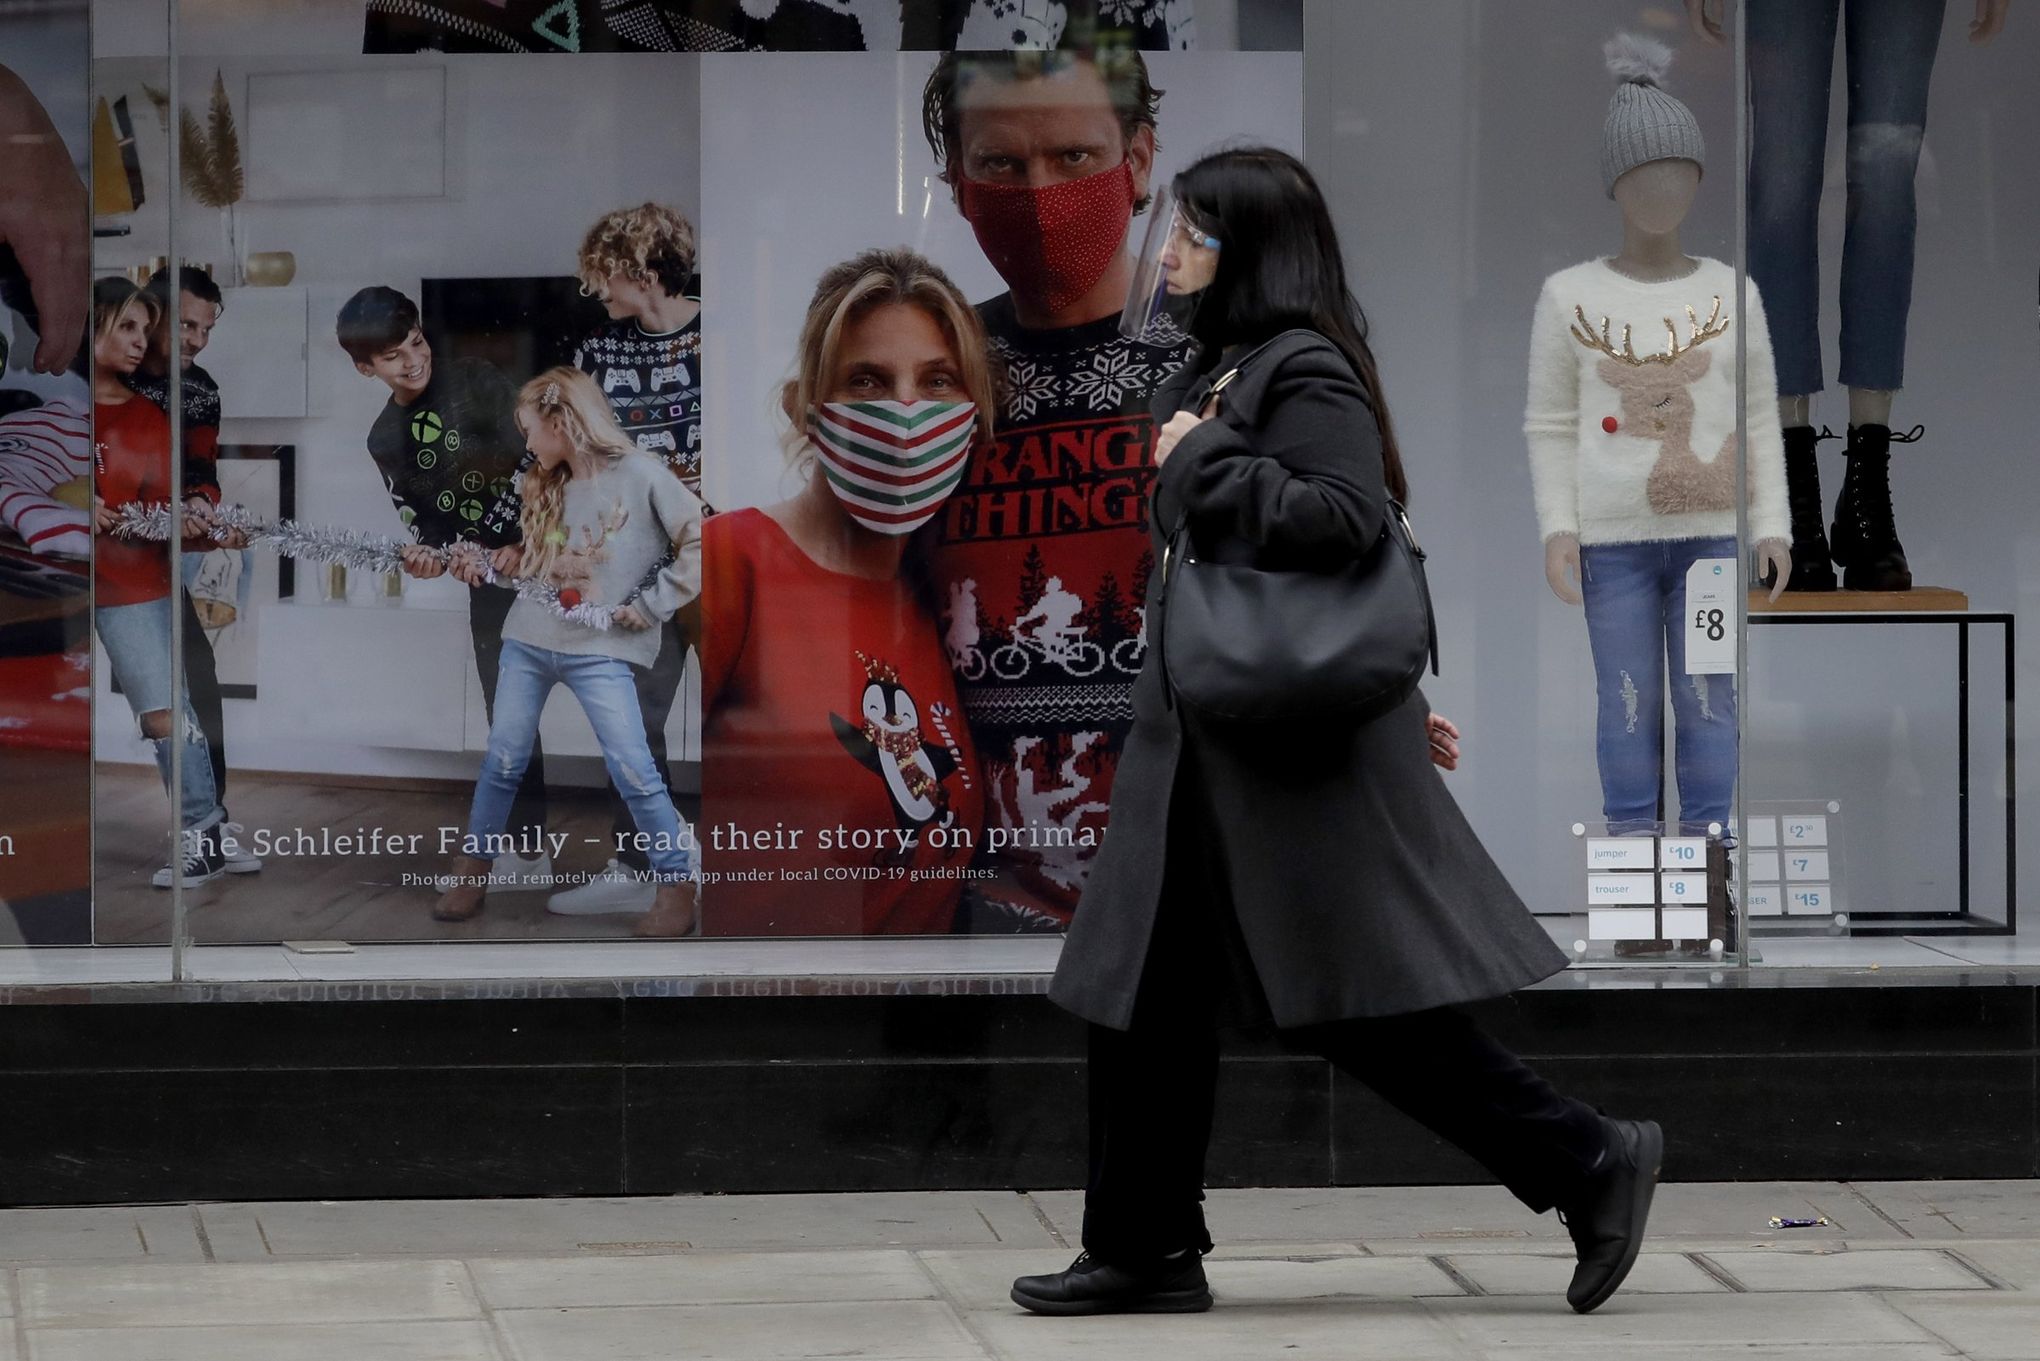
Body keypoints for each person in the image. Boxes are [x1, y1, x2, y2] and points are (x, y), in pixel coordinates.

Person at [1010, 149, 1662, 1320]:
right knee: (1144, 993)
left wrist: (1203, 457)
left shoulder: (1305, 369)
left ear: (1254, 249)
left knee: (1361, 1009)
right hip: (1207, 748)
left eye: (1194, 237)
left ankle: (1589, 1157)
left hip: (1269, 758)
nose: (1170, 256)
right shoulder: (1232, 366)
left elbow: (1345, 523)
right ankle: (1144, 1244)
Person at [919, 46, 1189, 930]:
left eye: (1074, 156)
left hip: (1197, 900)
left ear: (1139, 160)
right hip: (978, 906)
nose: (1039, 194)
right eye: (1001, 163)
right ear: (960, 181)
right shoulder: (931, 373)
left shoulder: (1231, 357)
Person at [696, 247, 994, 936]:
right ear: (805, 407)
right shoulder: (732, 562)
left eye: (938, 380)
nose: (905, 413)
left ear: (973, 412)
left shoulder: (936, 591)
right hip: (782, 1015)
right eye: (867, 380)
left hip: (919, 1020)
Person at [434, 368, 703, 926]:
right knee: (503, 760)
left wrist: (654, 604)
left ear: (561, 422)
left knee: (633, 767)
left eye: (531, 429)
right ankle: (473, 871)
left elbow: (698, 537)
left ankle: (675, 887)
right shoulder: (543, 480)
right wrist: (495, 565)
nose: (527, 443)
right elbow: (541, 574)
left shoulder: (642, 474)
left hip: (602, 648)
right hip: (528, 641)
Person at [335, 286, 551, 887]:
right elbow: (425, 523)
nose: (412, 361)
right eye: (392, 357)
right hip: (492, 583)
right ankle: (529, 851)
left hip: (557, 559)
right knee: (508, 719)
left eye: (416, 342)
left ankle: (641, 859)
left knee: (615, 707)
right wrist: (429, 553)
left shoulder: (478, 379)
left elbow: (540, 460)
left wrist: (531, 545)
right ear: (364, 368)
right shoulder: (384, 439)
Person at [548, 203, 704, 918]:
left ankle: (746, 868)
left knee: (744, 715)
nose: (597, 293)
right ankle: (639, 863)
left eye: (603, 278)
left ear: (641, 271)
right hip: (636, 561)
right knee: (630, 716)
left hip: (722, 554)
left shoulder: (725, 333)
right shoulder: (599, 353)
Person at [86, 279, 231, 886]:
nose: (140, 342)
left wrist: (202, 516)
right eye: (127, 328)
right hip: (47, 587)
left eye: (146, 331)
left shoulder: (151, 414)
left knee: (166, 713)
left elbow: (168, 503)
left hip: (130, 584)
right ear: (91, 324)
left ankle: (204, 833)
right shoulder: (47, 407)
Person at [127, 266, 261, 884]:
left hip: (168, 545)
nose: (196, 340)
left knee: (193, 676)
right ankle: (203, 824)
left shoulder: (200, 387)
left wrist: (204, 502)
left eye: (206, 328)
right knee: (164, 685)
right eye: (185, 324)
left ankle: (211, 823)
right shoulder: (106, 375)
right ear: (149, 312)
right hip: (100, 546)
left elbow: (200, 467)